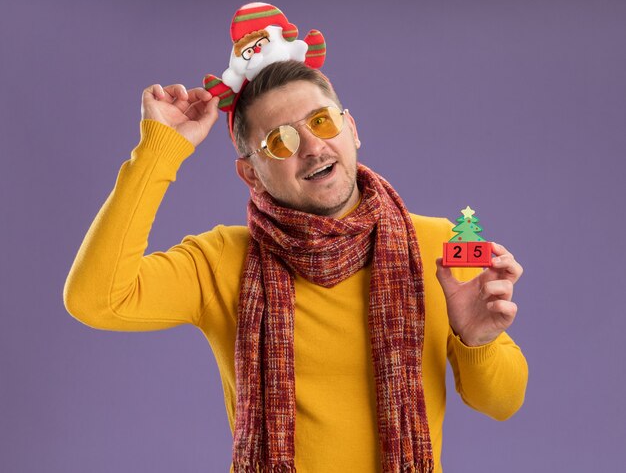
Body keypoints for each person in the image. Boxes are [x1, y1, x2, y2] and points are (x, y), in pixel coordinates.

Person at [63, 60, 528, 473]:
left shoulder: (434, 244)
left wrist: (477, 340)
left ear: (351, 129)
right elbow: (95, 299)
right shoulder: (223, 260)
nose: (311, 146)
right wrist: (160, 150)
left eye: (322, 122)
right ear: (251, 173)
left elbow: (502, 403)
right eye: (279, 141)